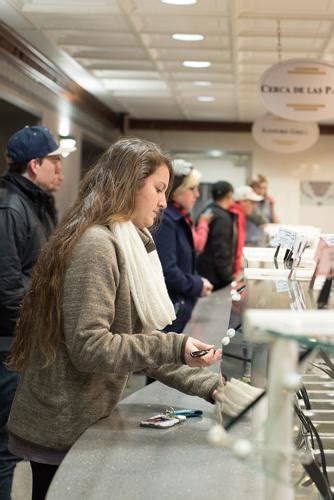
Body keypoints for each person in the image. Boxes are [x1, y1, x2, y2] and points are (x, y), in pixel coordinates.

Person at [6, 138, 222, 499]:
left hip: (82, 420)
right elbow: (90, 347)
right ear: (128, 184)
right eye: (157, 189)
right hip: (63, 422)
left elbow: (139, 337)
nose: (163, 202)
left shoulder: (128, 242)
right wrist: (175, 344)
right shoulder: (98, 245)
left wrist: (212, 386)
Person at [0, 125, 67, 500]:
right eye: (54, 162)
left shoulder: (35, 203)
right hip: (11, 344)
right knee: (5, 452)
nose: (60, 171)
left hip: (24, 340)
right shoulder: (11, 207)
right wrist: (31, 338)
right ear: (34, 164)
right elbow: (7, 288)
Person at [153, 158, 213, 333]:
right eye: (192, 188)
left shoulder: (179, 218)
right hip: (170, 311)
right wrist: (197, 285)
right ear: (176, 191)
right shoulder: (166, 221)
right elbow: (167, 271)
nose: (197, 194)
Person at [197, 181, 237, 290]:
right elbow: (221, 250)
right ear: (229, 195)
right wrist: (228, 278)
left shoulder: (206, 211)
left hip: (202, 272)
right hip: (216, 279)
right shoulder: (223, 218)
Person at [230, 185, 263, 280]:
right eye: (252, 202)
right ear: (242, 202)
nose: (254, 206)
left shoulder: (238, 215)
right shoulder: (236, 216)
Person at [246, 175, 279, 246]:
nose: (261, 191)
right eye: (258, 187)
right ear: (251, 188)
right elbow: (263, 221)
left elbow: (276, 224)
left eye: (264, 188)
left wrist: (273, 206)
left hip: (264, 242)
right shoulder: (247, 202)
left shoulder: (267, 203)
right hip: (249, 241)